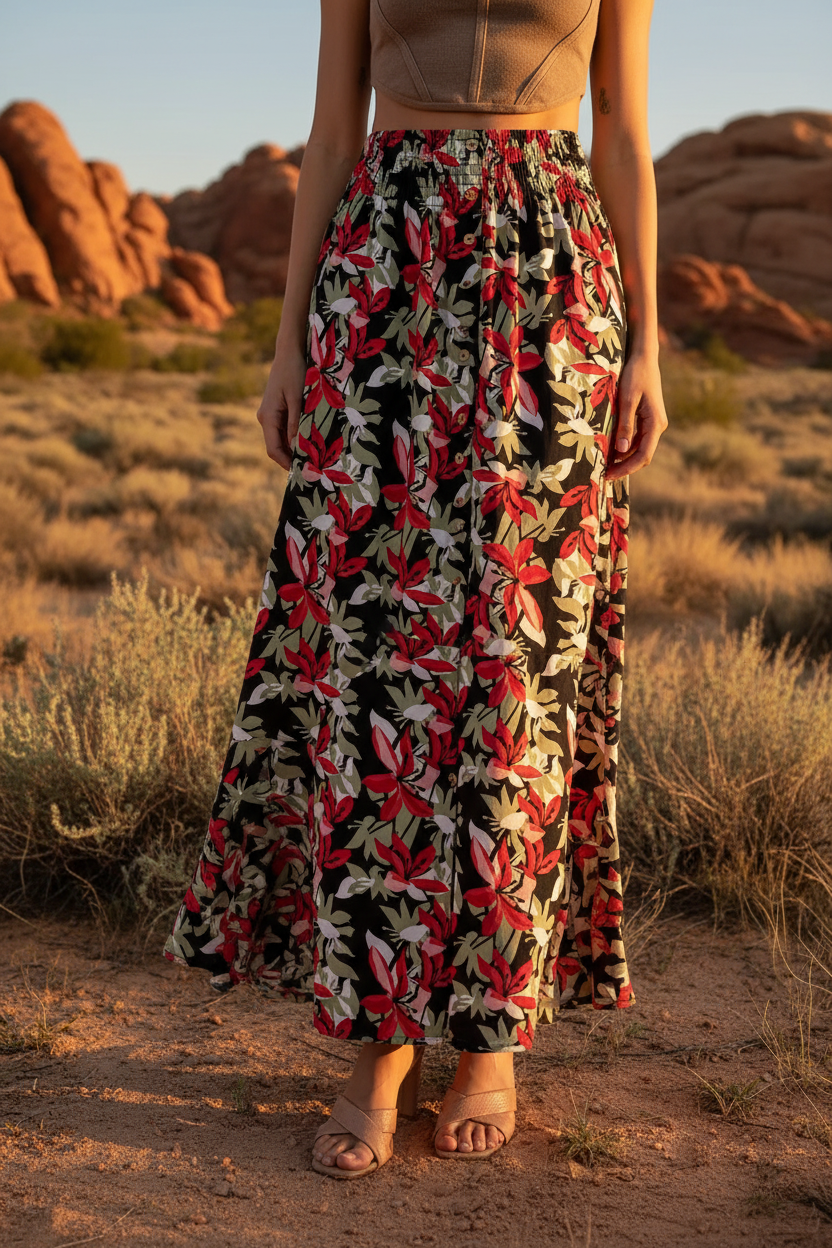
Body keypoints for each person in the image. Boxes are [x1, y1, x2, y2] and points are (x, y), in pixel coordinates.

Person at [163, 0, 667, 1180]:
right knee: (371, 658)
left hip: (551, 276)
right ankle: (378, 1039)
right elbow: (331, 131)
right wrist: (288, 342)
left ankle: (489, 1035)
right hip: (381, 260)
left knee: (514, 659)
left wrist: (647, 342)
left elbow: (625, 128)